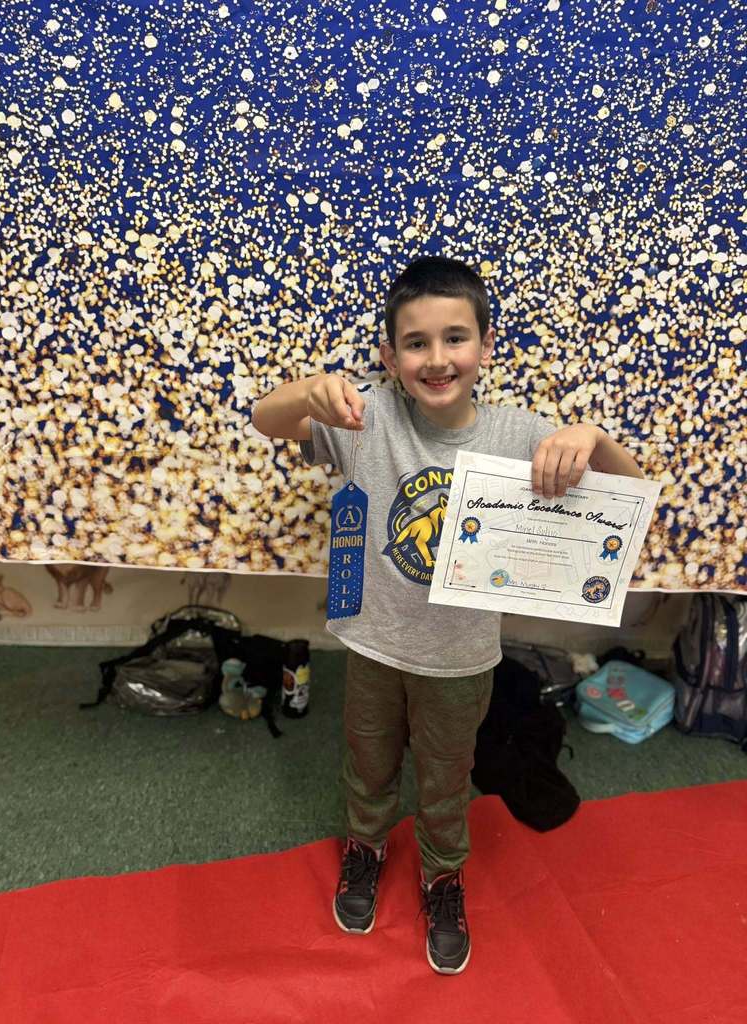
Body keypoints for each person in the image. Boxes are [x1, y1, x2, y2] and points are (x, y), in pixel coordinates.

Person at [251, 254, 645, 975]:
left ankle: (441, 876)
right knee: (367, 765)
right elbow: (263, 419)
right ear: (389, 356)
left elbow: (629, 490)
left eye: (455, 338)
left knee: (445, 776)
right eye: (416, 343)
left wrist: (589, 436)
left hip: (462, 658)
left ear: (486, 347)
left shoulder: (518, 434)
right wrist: (308, 392)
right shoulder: (362, 419)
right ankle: (365, 849)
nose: (437, 359)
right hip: (372, 643)